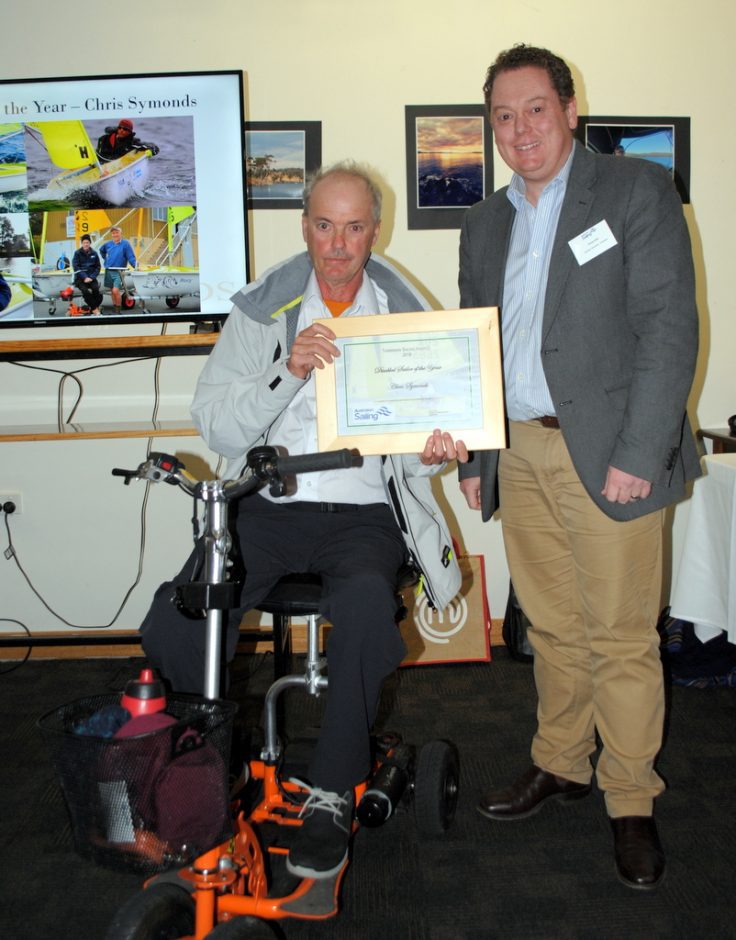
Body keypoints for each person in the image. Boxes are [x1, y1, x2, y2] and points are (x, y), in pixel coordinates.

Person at [141, 161, 468, 881]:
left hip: (364, 512)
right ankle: (204, 763)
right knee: (176, 620)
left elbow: (418, 454)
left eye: (353, 227)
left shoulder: (406, 314)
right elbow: (216, 425)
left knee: (365, 609)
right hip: (270, 503)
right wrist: (284, 372)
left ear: (374, 232)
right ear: (305, 227)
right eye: (324, 225)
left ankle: (331, 790)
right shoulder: (264, 310)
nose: (338, 245)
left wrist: (434, 454)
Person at [457, 44, 699, 890]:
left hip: (610, 453)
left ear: (568, 109)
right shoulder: (483, 223)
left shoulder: (633, 191)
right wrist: (478, 452)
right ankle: (561, 760)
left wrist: (640, 452)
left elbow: (670, 327)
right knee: (552, 627)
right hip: (519, 448)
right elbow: (474, 345)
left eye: (535, 108)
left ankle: (630, 795)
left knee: (621, 637)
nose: (520, 128)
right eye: (503, 115)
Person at [99, 226, 136, 313]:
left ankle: (118, 309)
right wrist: (106, 259)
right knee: (112, 290)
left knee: (116, 290)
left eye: (117, 232)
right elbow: (101, 250)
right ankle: (115, 307)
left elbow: (130, 256)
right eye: (113, 233)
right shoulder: (108, 244)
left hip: (119, 271)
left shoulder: (125, 244)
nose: (115, 234)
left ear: (120, 233)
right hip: (109, 270)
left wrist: (135, 266)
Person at [72, 235, 103, 314]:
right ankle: (95, 309)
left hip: (91, 277)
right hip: (80, 278)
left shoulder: (94, 253)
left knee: (96, 290)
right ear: (82, 243)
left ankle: (92, 308)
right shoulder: (77, 253)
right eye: (84, 243)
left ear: (90, 243)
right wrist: (85, 277)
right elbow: (76, 267)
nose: (86, 244)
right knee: (85, 291)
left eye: (87, 242)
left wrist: (92, 277)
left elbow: (98, 267)